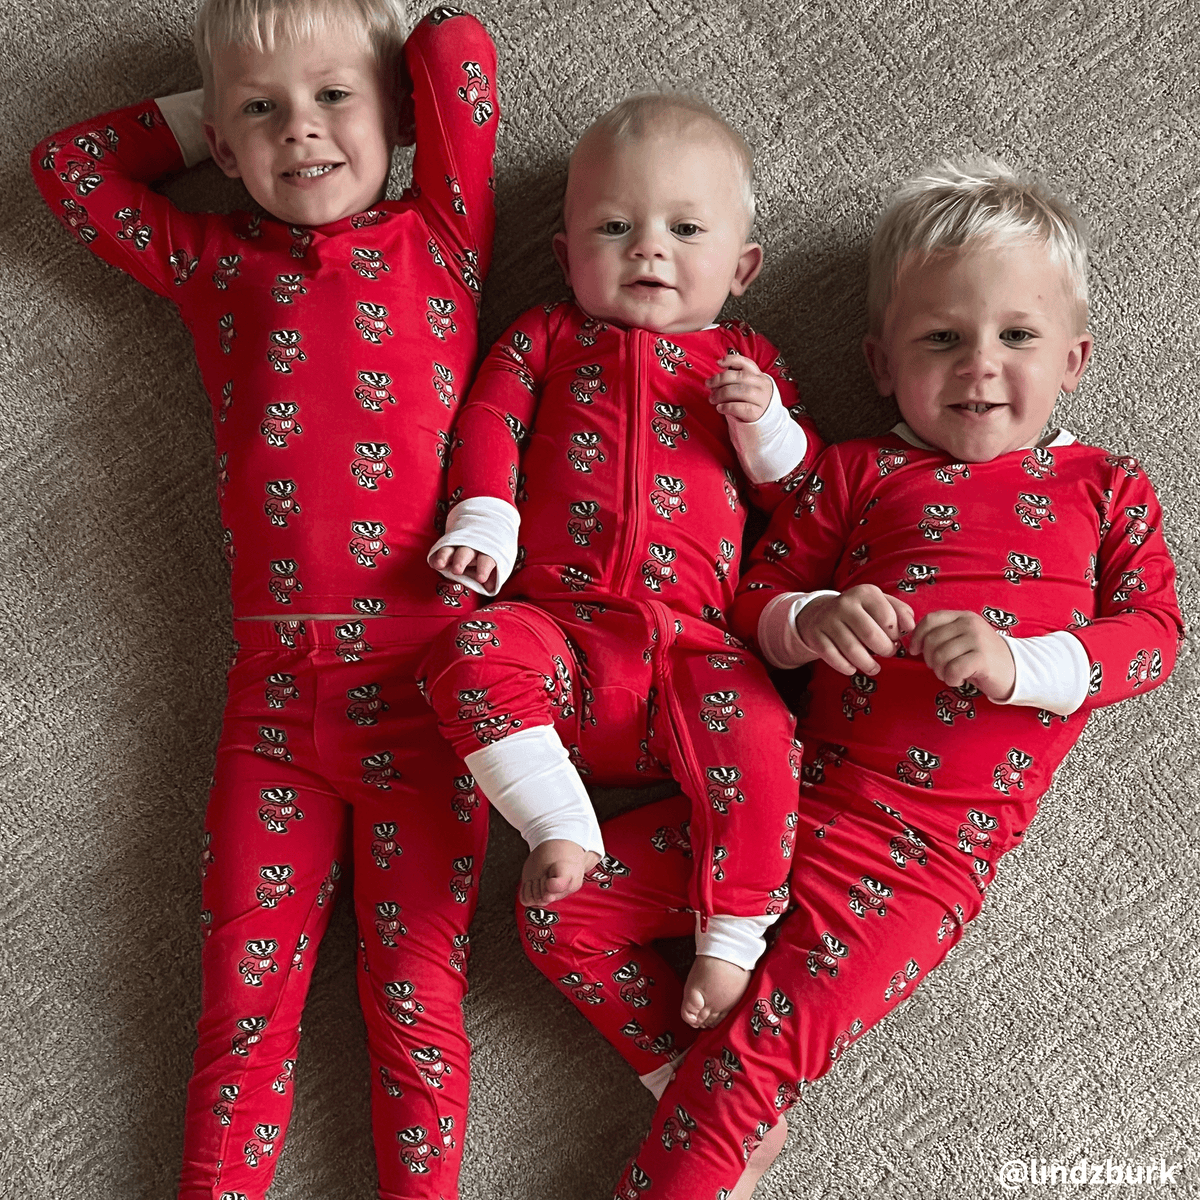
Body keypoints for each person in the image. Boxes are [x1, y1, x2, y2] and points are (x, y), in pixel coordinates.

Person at [529, 158, 1183, 1200]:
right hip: (778, 801)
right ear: (881, 364)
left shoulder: (1105, 488)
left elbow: (1153, 636)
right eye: (941, 339)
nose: (978, 365)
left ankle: (721, 1124)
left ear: (1074, 359)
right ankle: (717, 1109)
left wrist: (1022, 663)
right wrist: (814, 620)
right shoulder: (855, 472)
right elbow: (754, 605)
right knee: (561, 910)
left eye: (1015, 337)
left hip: (922, 854)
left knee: (749, 1065)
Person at [31, 3, 498, 1196]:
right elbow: (67, 168)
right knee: (241, 1011)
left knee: (415, 1008)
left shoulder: (442, 238)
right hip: (276, 704)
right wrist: (218, 104)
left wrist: (369, 68)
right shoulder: (208, 261)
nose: (302, 132)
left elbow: (460, 53)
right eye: (263, 115)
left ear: (394, 114)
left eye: (334, 99)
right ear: (225, 152)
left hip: (434, 691)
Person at [420, 92, 823, 1039]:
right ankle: (559, 823)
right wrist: (487, 516)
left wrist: (763, 423)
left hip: (695, 654)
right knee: (466, 653)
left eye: (685, 229)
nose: (649, 249)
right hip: (558, 637)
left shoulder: (747, 359)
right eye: (615, 226)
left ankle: (733, 930)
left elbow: (798, 494)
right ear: (565, 256)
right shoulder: (546, 337)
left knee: (769, 740)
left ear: (742, 267)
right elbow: (489, 423)